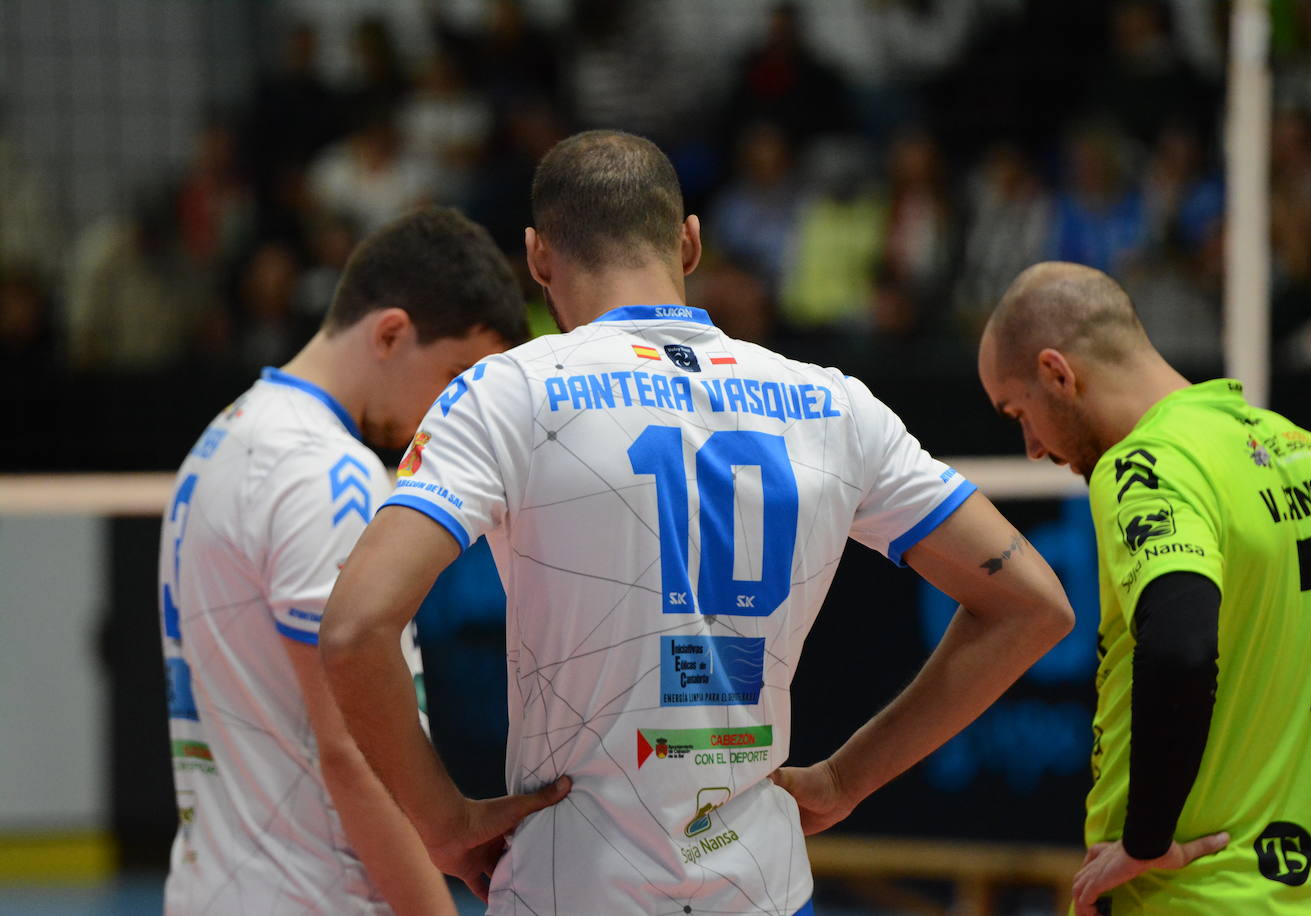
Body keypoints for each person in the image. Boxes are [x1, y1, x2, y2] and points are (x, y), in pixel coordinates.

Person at [319, 130, 1074, 915]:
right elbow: (1031, 604)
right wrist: (848, 779)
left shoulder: (507, 393)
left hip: (573, 886)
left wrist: (442, 823)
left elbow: (354, 626)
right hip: (763, 889)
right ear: (689, 242)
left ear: (539, 259)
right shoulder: (834, 403)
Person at [157, 207, 534, 915]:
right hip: (312, 895)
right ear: (390, 332)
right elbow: (354, 754)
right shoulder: (329, 473)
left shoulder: (227, 434)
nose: (452, 414)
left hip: (219, 885)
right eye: (455, 378)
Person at [978, 261, 1311, 915]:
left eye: (1020, 413)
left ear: (1058, 373)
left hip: (1194, 897)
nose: (1032, 447)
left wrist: (1144, 840)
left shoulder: (1147, 462)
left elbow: (1181, 647)